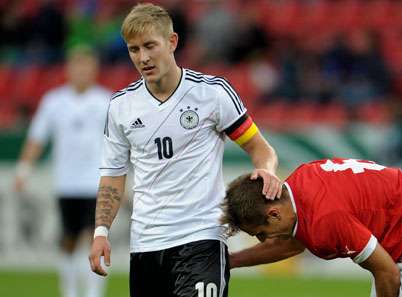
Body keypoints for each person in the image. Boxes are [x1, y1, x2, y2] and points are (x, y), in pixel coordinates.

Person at [88, 3, 281, 297]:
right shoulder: (120, 107)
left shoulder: (212, 94)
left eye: (150, 46)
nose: (143, 57)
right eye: (134, 49)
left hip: (202, 238)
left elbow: (260, 148)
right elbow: (113, 177)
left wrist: (266, 171)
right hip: (146, 245)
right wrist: (101, 231)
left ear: (172, 41)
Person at [222, 158, 402, 297]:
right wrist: (231, 260)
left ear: (273, 213)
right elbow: (292, 243)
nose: (265, 240)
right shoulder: (300, 185)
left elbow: (387, 274)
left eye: (261, 234)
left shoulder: (326, 217)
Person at [14, 45, 110, 297]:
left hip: (96, 181)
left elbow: (121, 142)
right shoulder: (54, 101)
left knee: (94, 237)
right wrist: (23, 169)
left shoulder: (106, 100)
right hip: (67, 182)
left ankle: (93, 292)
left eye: (86, 66)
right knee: (68, 239)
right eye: (76, 66)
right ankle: (69, 290)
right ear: (69, 69)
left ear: (94, 70)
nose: (81, 71)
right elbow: (37, 138)